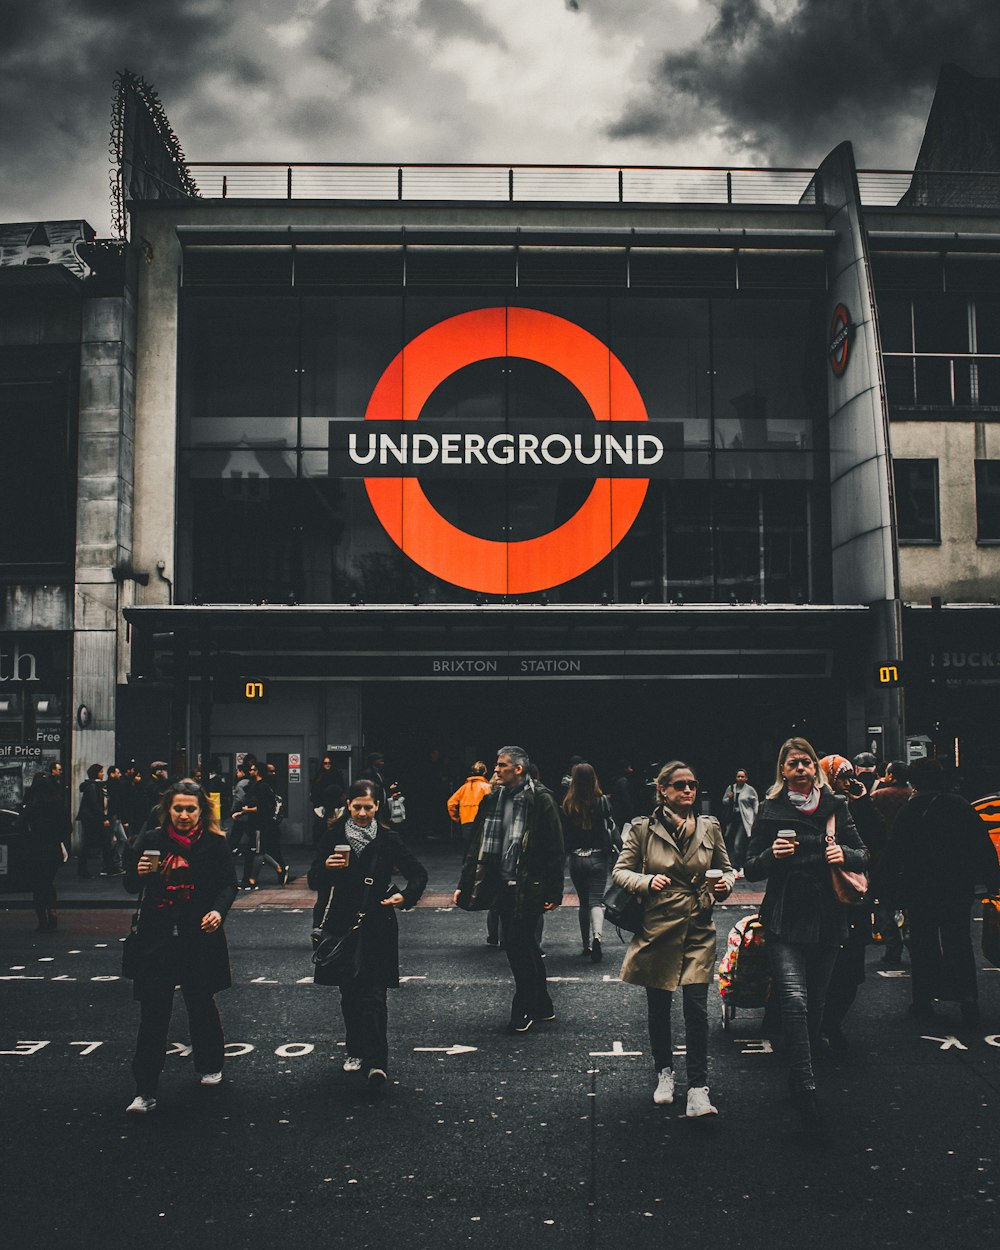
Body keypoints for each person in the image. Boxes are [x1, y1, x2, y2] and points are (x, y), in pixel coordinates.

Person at [744, 737, 867, 1125]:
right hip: (785, 916)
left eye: (807, 763)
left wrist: (843, 853)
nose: (800, 768)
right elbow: (749, 867)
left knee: (815, 1002)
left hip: (829, 918)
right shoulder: (770, 810)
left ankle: (802, 1070)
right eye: (793, 763)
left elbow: (864, 854)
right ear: (782, 770)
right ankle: (806, 1085)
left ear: (815, 768)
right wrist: (771, 856)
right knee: (794, 1000)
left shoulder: (836, 807)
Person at [612, 760, 734, 1117]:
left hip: (698, 925)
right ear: (661, 790)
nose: (687, 791)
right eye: (679, 785)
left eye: (692, 785)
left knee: (697, 1009)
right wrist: (647, 882)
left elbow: (726, 870)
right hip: (659, 926)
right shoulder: (642, 829)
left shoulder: (710, 827)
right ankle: (664, 1073)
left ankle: (698, 1087)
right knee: (659, 1008)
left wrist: (724, 885)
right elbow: (621, 871)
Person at [122, 778, 238, 1113]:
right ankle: (144, 1090)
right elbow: (130, 883)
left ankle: (210, 1064)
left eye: (190, 809)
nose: (184, 815)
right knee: (153, 1013)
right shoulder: (152, 840)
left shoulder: (214, 843)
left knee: (200, 1003)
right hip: (157, 938)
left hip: (197, 935)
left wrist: (218, 910)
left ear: (202, 811)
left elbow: (228, 883)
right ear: (167, 809)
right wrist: (140, 871)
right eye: (178, 808)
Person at [308, 779, 427, 1095]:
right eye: (357, 806)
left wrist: (406, 896)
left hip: (377, 921)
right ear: (348, 805)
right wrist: (327, 867)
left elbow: (417, 873)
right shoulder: (333, 835)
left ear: (378, 807)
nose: (362, 813)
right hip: (342, 923)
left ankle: (377, 1062)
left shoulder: (388, 839)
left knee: (374, 994)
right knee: (349, 992)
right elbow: (313, 878)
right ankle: (356, 1048)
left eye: (368, 807)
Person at [877, 756, 1000, 1028]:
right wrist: (993, 881)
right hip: (958, 886)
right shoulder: (960, 806)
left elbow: (894, 851)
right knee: (959, 941)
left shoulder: (911, 810)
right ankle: (969, 999)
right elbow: (981, 845)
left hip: (920, 887)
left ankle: (923, 999)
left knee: (923, 943)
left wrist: (881, 888)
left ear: (916, 781)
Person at [453, 745, 564, 1032]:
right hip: (500, 884)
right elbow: (476, 844)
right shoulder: (492, 798)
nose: (496, 769)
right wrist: (465, 884)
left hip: (528, 885)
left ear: (518, 769)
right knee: (524, 946)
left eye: (502, 765)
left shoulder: (541, 798)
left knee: (517, 946)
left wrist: (554, 891)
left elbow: (555, 847)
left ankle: (523, 1008)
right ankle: (542, 1006)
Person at [818, 755, 886, 1054]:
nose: (848, 782)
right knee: (824, 969)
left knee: (851, 973)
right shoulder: (818, 807)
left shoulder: (855, 805)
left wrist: (863, 801)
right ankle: (821, 1027)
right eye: (842, 777)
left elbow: (875, 840)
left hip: (853, 897)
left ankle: (830, 1023)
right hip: (823, 899)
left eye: (849, 776)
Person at [560, 762, 617, 963]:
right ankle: (597, 937)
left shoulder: (567, 803)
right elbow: (610, 828)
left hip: (576, 859)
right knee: (596, 901)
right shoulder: (602, 801)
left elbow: (564, 835)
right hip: (598, 857)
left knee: (583, 903)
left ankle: (586, 944)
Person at [24, 773, 70, 932]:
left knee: (38, 884)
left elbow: (21, 824)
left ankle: (42, 919)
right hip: (52, 848)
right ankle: (52, 910)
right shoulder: (57, 804)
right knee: (48, 881)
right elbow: (67, 828)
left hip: (36, 848)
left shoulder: (32, 805)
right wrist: (57, 838)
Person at [720, 768, 759, 874]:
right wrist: (729, 798)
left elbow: (755, 803)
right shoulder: (731, 788)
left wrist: (756, 817)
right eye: (738, 776)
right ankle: (734, 866)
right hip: (733, 818)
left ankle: (740, 866)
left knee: (738, 843)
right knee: (730, 841)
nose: (740, 778)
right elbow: (724, 802)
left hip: (744, 819)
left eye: (742, 776)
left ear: (746, 778)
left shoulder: (750, 790)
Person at [447, 762, 492, 847]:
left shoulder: (464, 788)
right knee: (480, 847)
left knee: (469, 847)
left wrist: (457, 818)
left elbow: (451, 803)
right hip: (482, 820)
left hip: (466, 820)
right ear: (485, 772)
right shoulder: (487, 787)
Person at [75, 763, 109, 879]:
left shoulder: (92, 785)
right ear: (96, 773)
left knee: (88, 843)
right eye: (101, 772)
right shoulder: (93, 787)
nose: (103, 773)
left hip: (90, 818)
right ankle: (83, 870)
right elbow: (95, 804)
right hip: (91, 819)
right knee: (88, 843)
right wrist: (103, 817)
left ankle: (84, 869)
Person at [310, 754, 346, 846]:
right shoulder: (319, 776)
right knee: (321, 826)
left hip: (334, 805)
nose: (327, 765)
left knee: (333, 825)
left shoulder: (336, 775)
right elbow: (314, 790)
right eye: (325, 763)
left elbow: (341, 790)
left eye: (329, 763)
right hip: (321, 805)